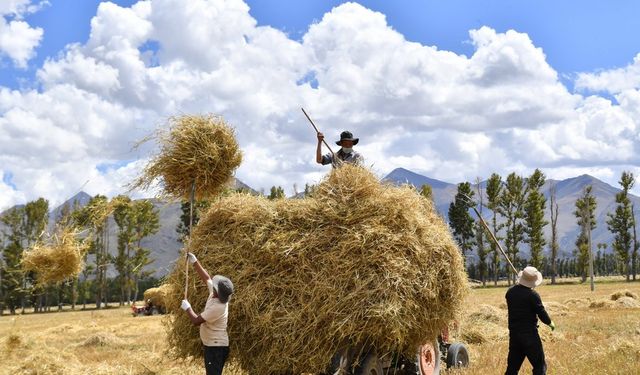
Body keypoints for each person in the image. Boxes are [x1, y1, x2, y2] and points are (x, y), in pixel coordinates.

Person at [181, 252, 234, 375]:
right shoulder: (215, 295)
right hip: (213, 345)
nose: (213, 286)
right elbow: (207, 278)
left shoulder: (218, 307)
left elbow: (196, 321)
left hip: (216, 348)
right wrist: (195, 262)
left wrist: (188, 308)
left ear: (217, 292)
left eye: (215, 287)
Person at [505, 266, 555, 375]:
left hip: (514, 336)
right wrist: (550, 322)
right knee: (539, 366)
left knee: (512, 368)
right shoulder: (533, 296)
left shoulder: (510, 293)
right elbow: (541, 312)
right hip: (530, 336)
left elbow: (517, 295)